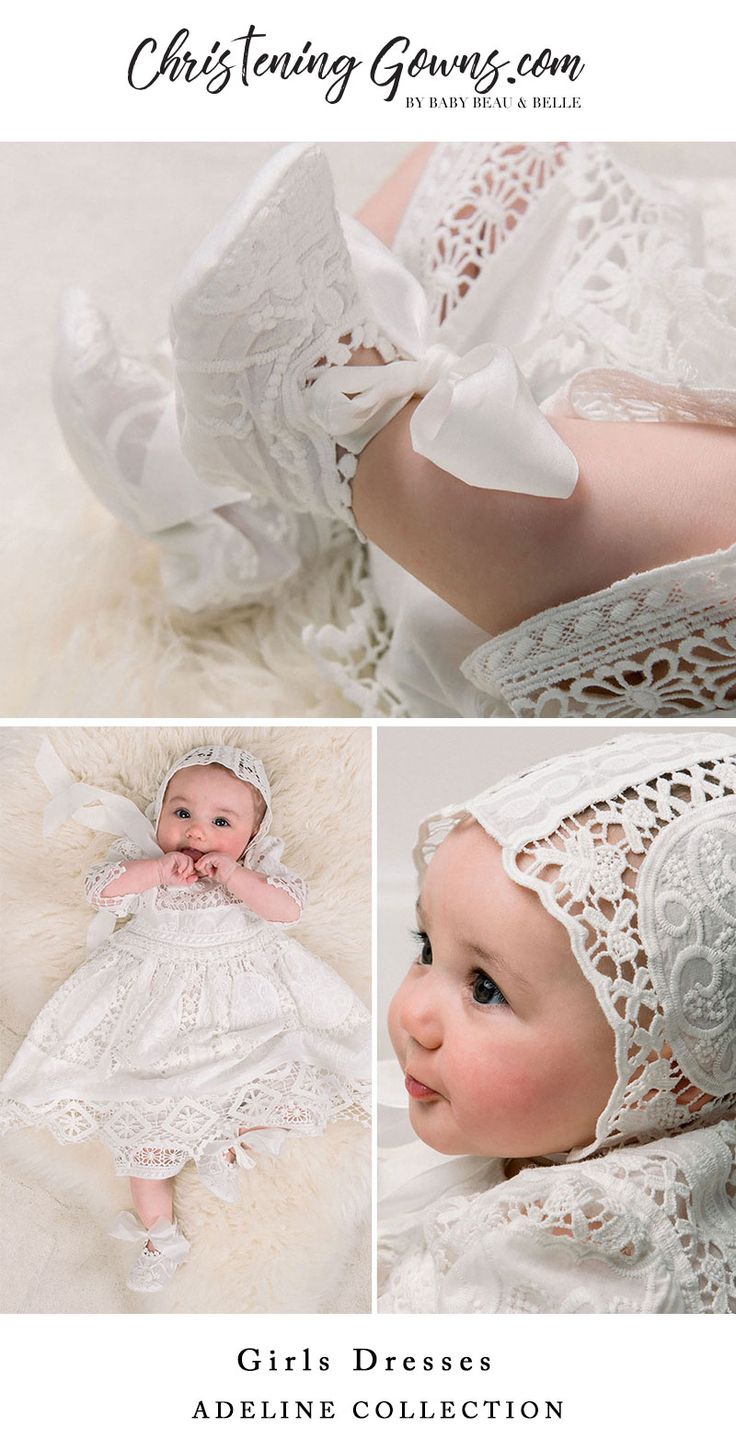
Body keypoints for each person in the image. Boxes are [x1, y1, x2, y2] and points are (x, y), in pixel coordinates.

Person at [54, 143, 736, 716]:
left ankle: (354, 441)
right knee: (516, 152)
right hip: (591, 343)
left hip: (521, 559)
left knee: (676, 493)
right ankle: (238, 483)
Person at [378, 730, 736, 1312]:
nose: (413, 1014)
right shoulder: (547, 1127)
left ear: (662, 1067)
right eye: (425, 949)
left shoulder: (561, 1249)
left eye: (486, 989)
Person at [0, 742, 370, 1293]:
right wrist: (152, 872)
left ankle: (227, 1139)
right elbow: (99, 892)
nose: (197, 832)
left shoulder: (257, 873)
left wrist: (237, 879)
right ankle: (159, 1236)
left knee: (286, 1076)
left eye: (221, 822)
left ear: (251, 839)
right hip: (152, 1010)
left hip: (241, 1007)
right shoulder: (142, 860)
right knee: (142, 1135)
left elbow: (287, 911)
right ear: (159, 816)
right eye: (182, 813)